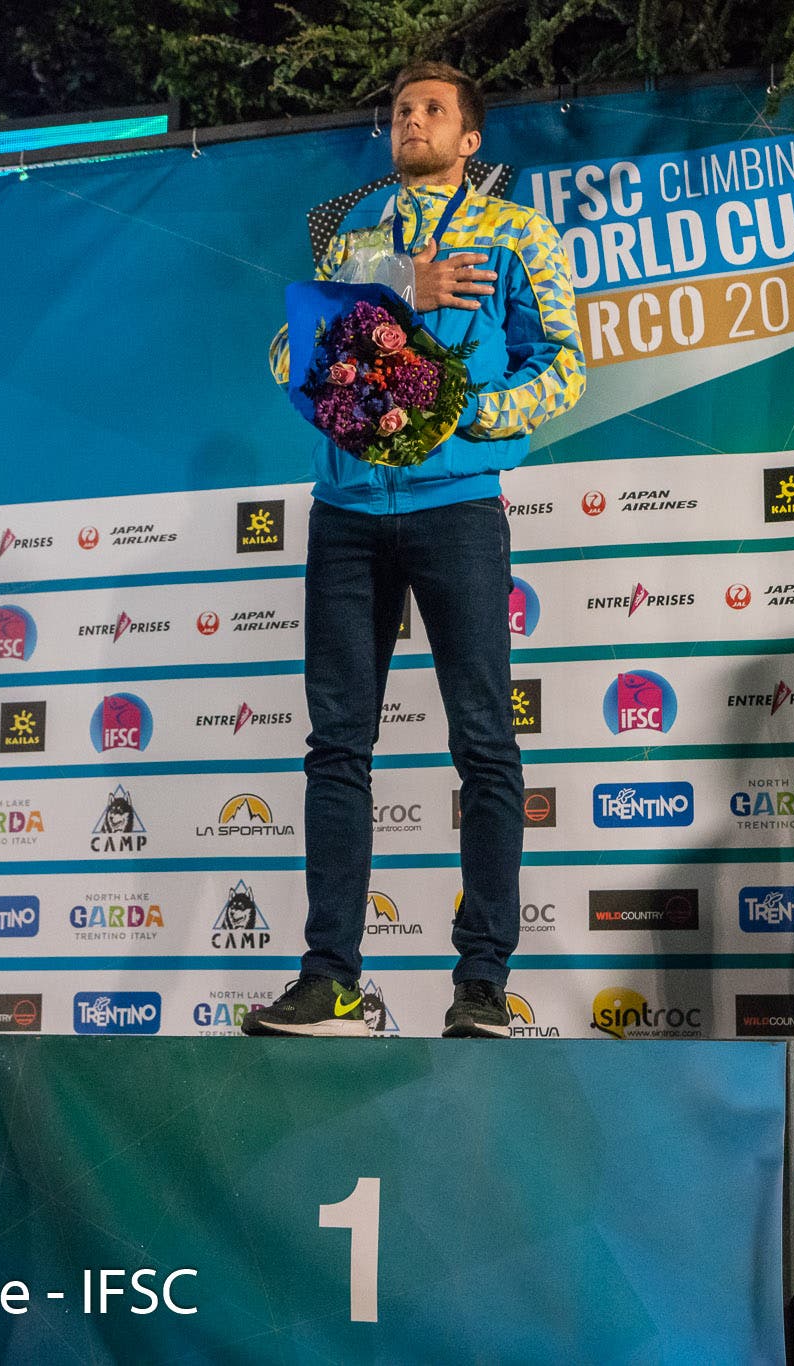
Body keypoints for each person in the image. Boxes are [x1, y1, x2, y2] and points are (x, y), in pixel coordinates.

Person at [244, 62, 585, 1038]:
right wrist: (399, 285)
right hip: (346, 508)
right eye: (401, 109)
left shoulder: (517, 233)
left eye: (433, 109)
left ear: (469, 139)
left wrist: (462, 412)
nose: (412, 119)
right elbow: (286, 354)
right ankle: (331, 979)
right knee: (335, 747)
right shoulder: (355, 239)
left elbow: (562, 363)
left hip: (456, 504)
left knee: (484, 742)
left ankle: (482, 981)